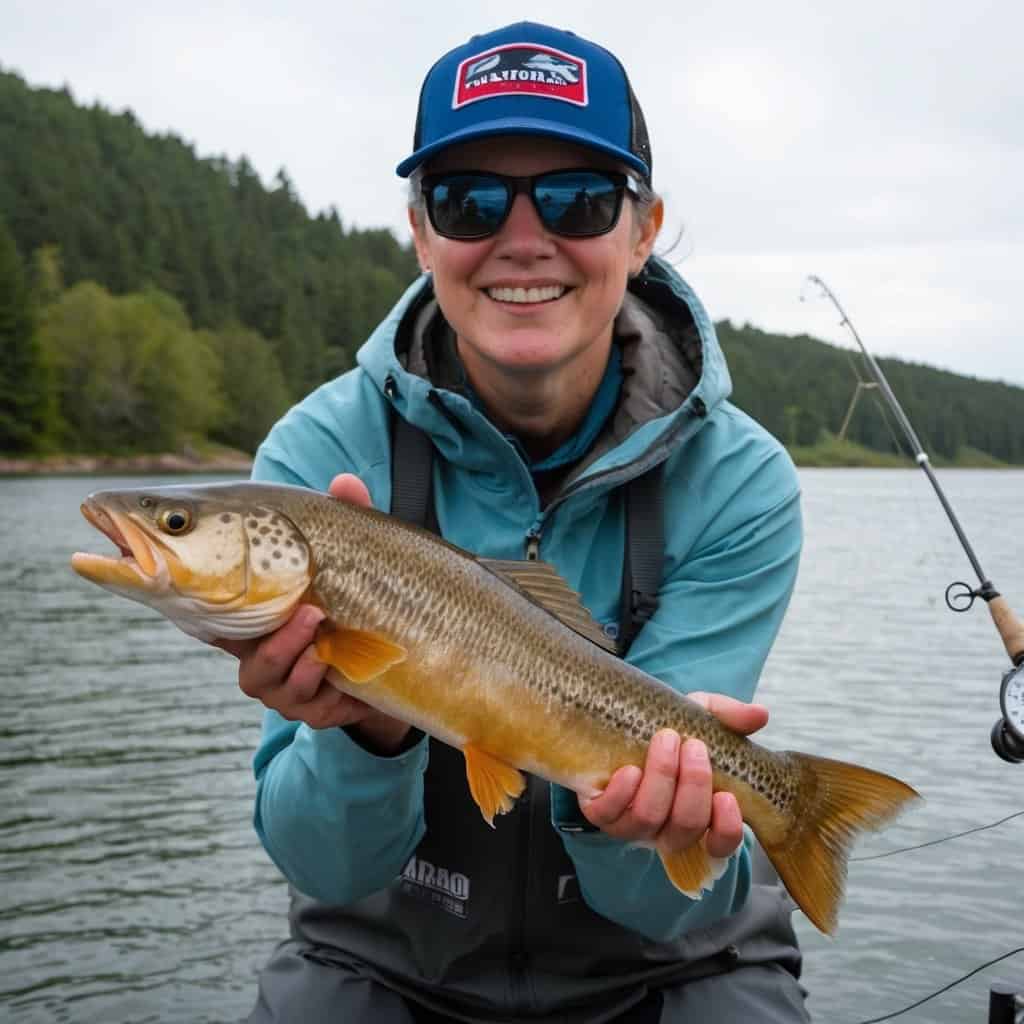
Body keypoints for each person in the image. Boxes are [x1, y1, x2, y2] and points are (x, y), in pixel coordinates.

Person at [225, 21, 808, 1023]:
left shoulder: (742, 480)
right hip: (384, 948)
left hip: (672, 958)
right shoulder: (315, 462)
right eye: (469, 201)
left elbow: (659, 905)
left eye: (579, 198)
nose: (523, 238)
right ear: (420, 230)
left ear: (641, 228)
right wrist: (365, 731)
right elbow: (324, 864)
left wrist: (639, 819)